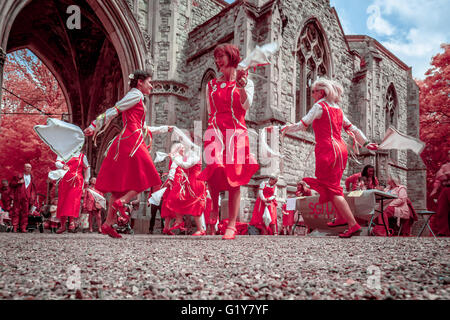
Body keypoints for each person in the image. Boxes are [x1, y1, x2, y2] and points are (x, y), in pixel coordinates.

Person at [282, 78, 378, 238]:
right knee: (332, 187)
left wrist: (284, 129)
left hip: (327, 150)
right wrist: (366, 143)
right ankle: (341, 217)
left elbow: (302, 124)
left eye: (313, 91)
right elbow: (352, 128)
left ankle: (352, 224)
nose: (312, 94)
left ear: (322, 92)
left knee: (333, 191)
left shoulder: (319, 106)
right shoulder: (338, 109)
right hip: (341, 151)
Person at [84, 70, 172, 238]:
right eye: (149, 82)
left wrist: (164, 129)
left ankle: (108, 224)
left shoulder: (137, 97)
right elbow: (115, 110)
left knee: (119, 187)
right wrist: (94, 125)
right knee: (150, 176)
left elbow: (143, 127)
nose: (151, 85)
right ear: (140, 82)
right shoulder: (136, 95)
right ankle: (122, 202)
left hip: (128, 139)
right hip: (132, 140)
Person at [197, 43, 259, 240]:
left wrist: (240, 86)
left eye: (221, 56)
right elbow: (209, 109)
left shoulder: (246, 82)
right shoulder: (211, 84)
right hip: (214, 129)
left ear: (231, 57)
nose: (217, 61)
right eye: (216, 57)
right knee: (214, 168)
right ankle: (214, 208)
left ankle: (231, 224)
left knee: (235, 179)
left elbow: (245, 105)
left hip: (236, 133)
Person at [166, 141, 207, 236]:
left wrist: (174, 158)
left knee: (195, 205)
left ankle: (200, 229)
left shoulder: (195, 156)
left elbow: (186, 165)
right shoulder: (189, 156)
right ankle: (179, 220)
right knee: (176, 198)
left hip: (196, 182)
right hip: (190, 182)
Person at [55, 153, 90, 234]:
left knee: (73, 200)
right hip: (64, 180)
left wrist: (87, 179)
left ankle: (72, 222)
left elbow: (87, 167)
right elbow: (57, 163)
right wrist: (62, 166)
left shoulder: (82, 156)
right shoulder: (63, 152)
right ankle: (62, 225)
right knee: (62, 201)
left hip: (76, 181)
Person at [10, 164, 37, 233]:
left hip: (27, 197)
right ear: (24, 168)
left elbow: (33, 189)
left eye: (30, 167)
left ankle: (23, 228)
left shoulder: (32, 177)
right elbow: (11, 184)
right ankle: (15, 227)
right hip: (18, 196)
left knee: (25, 213)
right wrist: (18, 182)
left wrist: (32, 198)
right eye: (27, 167)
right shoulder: (18, 176)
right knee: (16, 212)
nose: (28, 168)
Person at [430, 150, 450, 236]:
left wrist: (446, 175)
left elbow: (444, 175)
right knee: (441, 210)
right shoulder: (445, 166)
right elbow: (439, 176)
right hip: (446, 189)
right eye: (449, 154)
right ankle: (443, 232)